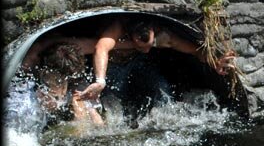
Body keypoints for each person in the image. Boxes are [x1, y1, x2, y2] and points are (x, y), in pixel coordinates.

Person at [74, 18, 236, 103]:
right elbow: (101, 47)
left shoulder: (164, 35)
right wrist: (100, 81)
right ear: (131, 36)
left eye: (150, 45)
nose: (147, 50)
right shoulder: (119, 27)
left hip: (139, 64)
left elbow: (195, 51)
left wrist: (213, 61)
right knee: (114, 99)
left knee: (161, 89)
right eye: (140, 46)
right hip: (114, 66)